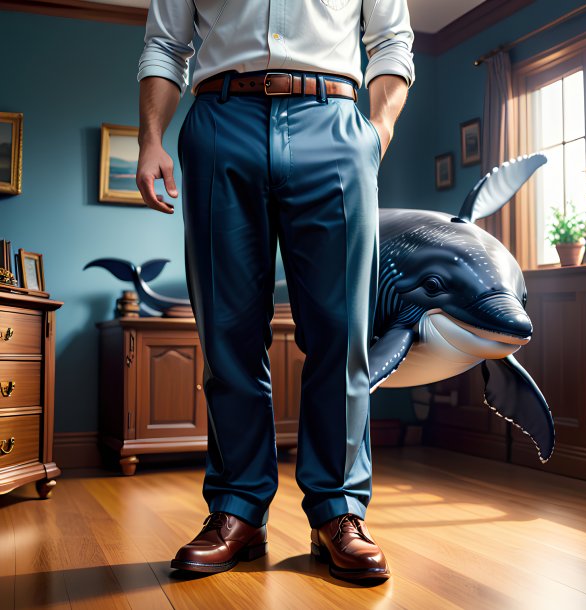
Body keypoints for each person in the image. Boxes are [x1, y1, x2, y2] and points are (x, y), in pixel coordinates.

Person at [135, 0, 415, 584]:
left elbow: (390, 39)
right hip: (220, 120)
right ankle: (237, 508)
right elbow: (166, 44)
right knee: (229, 332)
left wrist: (375, 134)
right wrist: (150, 138)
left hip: (333, 122)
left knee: (341, 332)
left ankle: (337, 509)